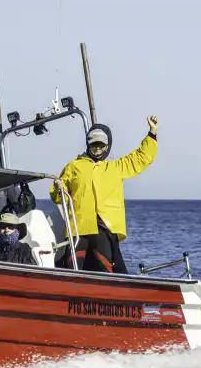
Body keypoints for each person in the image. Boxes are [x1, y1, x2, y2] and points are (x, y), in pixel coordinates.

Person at [50, 116, 159, 273]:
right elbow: (58, 197)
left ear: (107, 146)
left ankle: (112, 292)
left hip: (105, 227)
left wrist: (152, 133)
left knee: (105, 264)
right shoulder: (73, 167)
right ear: (88, 145)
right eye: (94, 145)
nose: (97, 149)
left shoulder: (116, 167)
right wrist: (58, 187)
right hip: (78, 228)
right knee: (72, 266)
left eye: (101, 145)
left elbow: (141, 158)